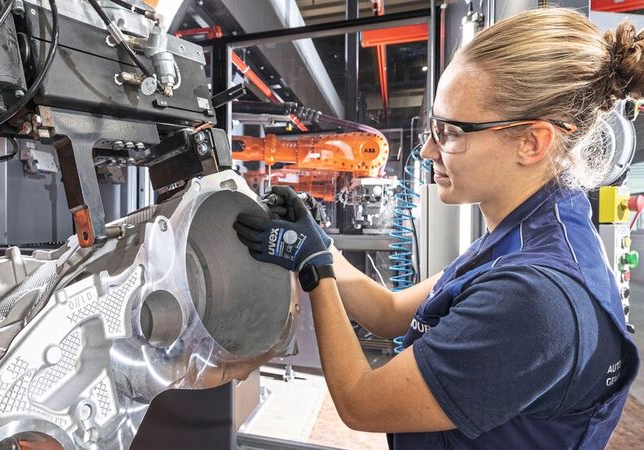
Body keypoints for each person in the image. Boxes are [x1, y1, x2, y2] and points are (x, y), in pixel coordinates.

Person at [233, 8, 642, 448]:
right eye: (434, 127)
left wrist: (315, 270)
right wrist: (321, 245)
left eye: (450, 132)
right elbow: (389, 312)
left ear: (531, 142)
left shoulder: (535, 296)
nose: (428, 150)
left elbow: (361, 401)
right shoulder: (523, 234)